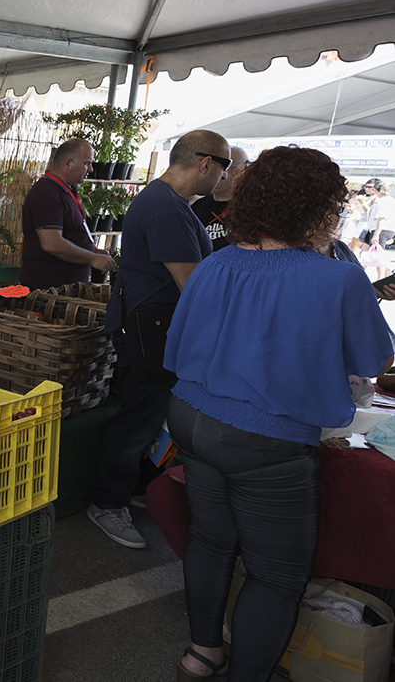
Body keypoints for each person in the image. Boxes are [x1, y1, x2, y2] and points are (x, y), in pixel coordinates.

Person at [164, 146, 394, 682]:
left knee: (211, 540)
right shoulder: (335, 277)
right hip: (264, 440)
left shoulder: (215, 263)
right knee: (275, 576)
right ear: (320, 209)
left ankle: (201, 655)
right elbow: (375, 361)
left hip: (190, 417)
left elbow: (181, 345)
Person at [86, 129, 228, 550]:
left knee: (148, 418)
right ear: (205, 164)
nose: (224, 176)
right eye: (225, 166)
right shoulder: (165, 208)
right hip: (151, 334)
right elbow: (192, 285)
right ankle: (106, 502)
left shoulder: (168, 202)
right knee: (137, 419)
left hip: (155, 329)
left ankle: (127, 489)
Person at [19, 138, 114, 288]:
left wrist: (94, 250)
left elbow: (71, 232)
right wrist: (92, 258)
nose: (90, 169)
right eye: (86, 163)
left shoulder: (63, 190)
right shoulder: (46, 194)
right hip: (48, 291)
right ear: (67, 163)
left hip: (65, 289)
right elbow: (52, 243)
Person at [189, 146, 249, 251]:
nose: (210, 173)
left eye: (220, 167)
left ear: (237, 173)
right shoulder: (197, 207)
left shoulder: (250, 209)